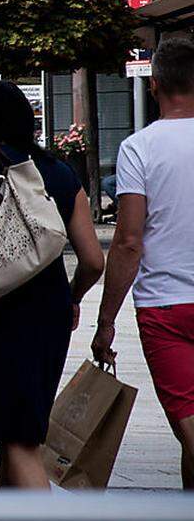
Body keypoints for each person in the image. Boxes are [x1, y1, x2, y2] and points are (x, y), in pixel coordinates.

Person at [0, 81, 104, 488]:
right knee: (21, 430)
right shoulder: (60, 173)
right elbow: (94, 260)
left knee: (20, 441)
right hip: (48, 312)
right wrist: (73, 296)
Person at [93, 37, 194, 488]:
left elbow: (129, 242)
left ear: (154, 85)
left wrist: (106, 320)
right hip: (167, 305)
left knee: (189, 426)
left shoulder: (139, 148)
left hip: (166, 307)